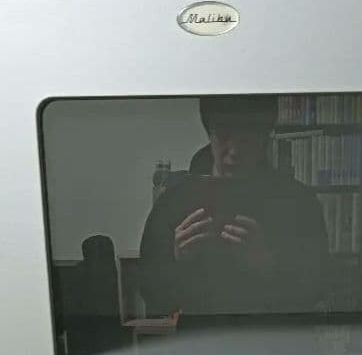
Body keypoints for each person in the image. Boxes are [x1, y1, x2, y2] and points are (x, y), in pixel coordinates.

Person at [139, 95, 330, 317]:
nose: (235, 150)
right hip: (200, 335)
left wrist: (268, 265)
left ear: (265, 137)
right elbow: (152, 296)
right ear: (209, 133)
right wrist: (177, 259)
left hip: (270, 335)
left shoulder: (298, 203)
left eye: (248, 138)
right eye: (224, 134)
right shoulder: (174, 202)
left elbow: (316, 291)